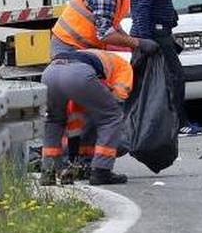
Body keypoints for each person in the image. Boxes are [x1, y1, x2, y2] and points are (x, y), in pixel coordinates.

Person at [130, 0, 202, 136]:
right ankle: (178, 124)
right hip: (154, 35)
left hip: (157, 33)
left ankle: (148, 124)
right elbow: (143, 8)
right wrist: (145, 41)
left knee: (151, 82)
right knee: (175, 77)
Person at [40, 49, 133, 186]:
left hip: (50, 72)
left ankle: (48, 171)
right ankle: (101, 171)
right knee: (111, 116)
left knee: (54, 120)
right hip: (78, 74)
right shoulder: (124, 67)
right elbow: (118, 98)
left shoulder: (94, 55)